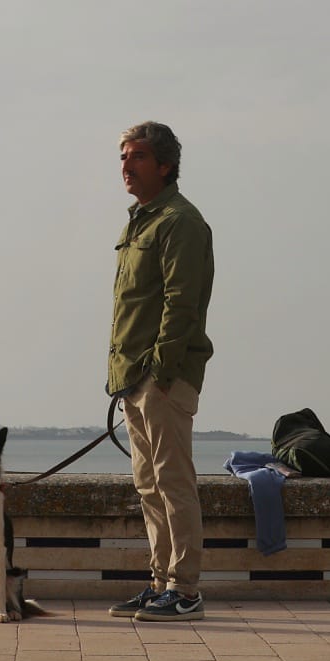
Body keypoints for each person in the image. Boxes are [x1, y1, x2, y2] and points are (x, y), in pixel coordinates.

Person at [104, 121, 214, 622]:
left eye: (138, 157)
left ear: (165, 165)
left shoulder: (180, 222)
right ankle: (160, 581)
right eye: (124, 157)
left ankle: (185, 589)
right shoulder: (139, 221)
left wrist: (160, 372)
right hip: (133, 376)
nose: (127, 165)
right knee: (149, 486)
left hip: (162, 377)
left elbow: (180, 304)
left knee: (172, 483)